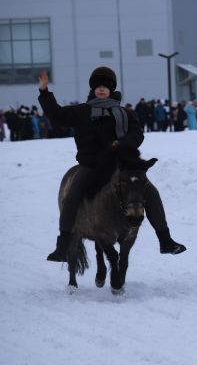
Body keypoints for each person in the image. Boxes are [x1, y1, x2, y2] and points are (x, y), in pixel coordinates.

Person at [38, 67, 186, 262]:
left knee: (150, 192)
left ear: (111, 89)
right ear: (93, 89)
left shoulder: (125, 113)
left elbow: (137, 134)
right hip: (92, 165)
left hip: (121, 165)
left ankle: (165, 240)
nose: (101, 89)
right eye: (98, 86)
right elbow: (56, 114)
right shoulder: (82, 111)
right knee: (72, 195)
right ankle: (63, 245)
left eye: (105, 86)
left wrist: (123, 143)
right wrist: (44, 92)